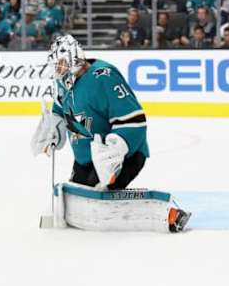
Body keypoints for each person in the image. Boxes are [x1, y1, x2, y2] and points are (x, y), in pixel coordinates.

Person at [31, 34, 191, 232]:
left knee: (102, 201)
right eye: (56, 64)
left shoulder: (104, 77)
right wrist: (54, 128)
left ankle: (169, 214)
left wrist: (117, 147)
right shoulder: (63, 82)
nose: (58, 69)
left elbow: (135, 119)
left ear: (75, 59)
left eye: (62, 63)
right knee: (78, 200)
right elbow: (60, 108)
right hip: (85, 158)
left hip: (124, 156)